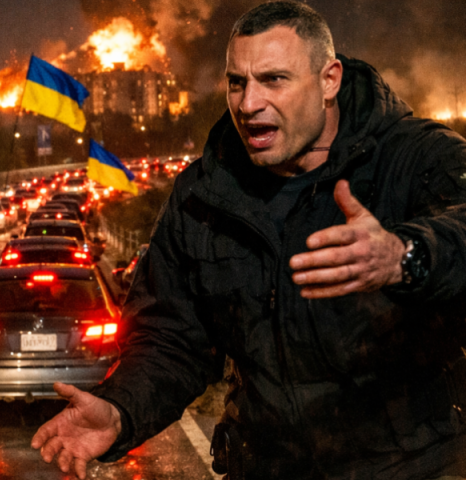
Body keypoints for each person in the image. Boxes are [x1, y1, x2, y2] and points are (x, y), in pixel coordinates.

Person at [32, 2, 466, 479]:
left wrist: (406, 257)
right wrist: (121, 410)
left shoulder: (414, 157)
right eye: (237, 82)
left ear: (329, 80)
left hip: (412, 467)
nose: (247, 103)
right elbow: (170, 338)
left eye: (274, 79)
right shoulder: (204, 194)